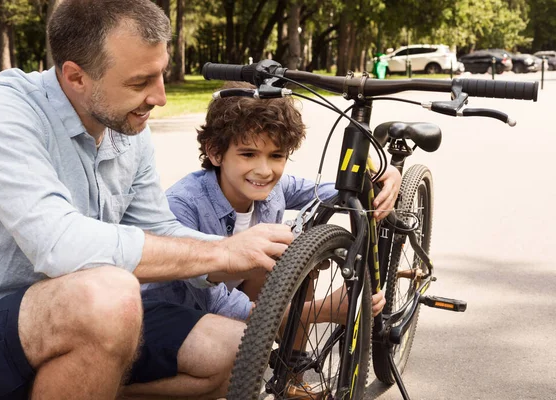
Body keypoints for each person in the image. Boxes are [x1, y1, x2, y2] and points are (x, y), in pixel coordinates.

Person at [0, 1, 294, 400]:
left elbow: (158, 229)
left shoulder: (126, 127)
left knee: (239, 349)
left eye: (162, 74)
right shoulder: (1, 109)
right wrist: (220, 253)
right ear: (76, 77)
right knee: (109, 294)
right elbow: (60, 245)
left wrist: (247, 251)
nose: (160, 97)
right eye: (140, 82)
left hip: (95, 317)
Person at [145, 81, 399, 352]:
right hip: (173, 321)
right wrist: (326, 310)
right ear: (215, 152)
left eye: (276, 155)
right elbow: (220, 308)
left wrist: (385, 176)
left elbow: (331, 192)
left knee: (299, 259)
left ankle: (294, 374)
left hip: (233, 294)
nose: (264, 170)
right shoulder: (184, 206)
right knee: (233, 345)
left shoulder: (274, 187)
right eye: (248, 154)